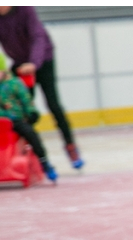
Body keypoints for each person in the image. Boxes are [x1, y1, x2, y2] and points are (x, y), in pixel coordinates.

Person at [0, 6, 82, 170]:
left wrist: (34, 63)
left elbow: (38, 37)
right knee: (19, 111)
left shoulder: (25, 10)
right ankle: (26, 152)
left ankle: (70, 145)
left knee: (53, 104)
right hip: (19, 63)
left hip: (42, 60)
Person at [0, 57, 57, 182]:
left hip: (14, 120)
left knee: (30, 133)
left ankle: (44, 161)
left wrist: (31, 113)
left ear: (3, 70)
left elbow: (26, 100)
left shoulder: (14, 84)